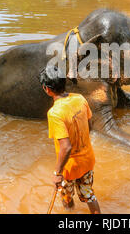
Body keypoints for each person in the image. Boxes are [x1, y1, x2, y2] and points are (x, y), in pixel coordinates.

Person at [39, 65, 101, 214]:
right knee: (88, 195)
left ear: (47, 89)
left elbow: (66, 147)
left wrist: (57, 173)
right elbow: (90, 124)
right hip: (87, 160)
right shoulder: (79, 99)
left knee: (66, 196)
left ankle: (69, 213)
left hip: (69, 168)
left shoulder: (54, 113)